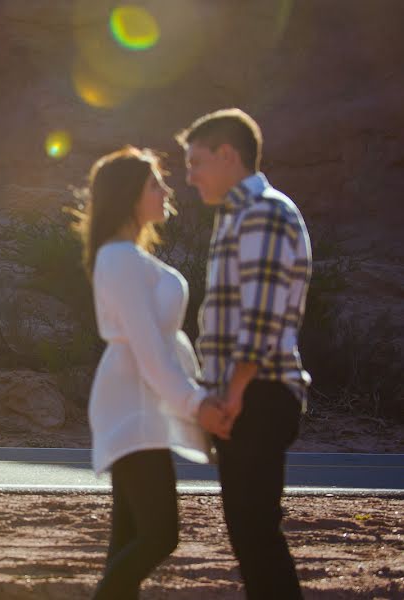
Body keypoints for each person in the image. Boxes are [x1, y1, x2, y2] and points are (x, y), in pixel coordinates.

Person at [73, 146, 229, 599]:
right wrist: (196, 404)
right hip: (132, 409)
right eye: (154, 183)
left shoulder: (126, 257)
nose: (166, 190)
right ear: (128, 195)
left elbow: (156, 348)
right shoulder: (119, 258)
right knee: (161, 535)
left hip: (140, 405)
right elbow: (147, 349)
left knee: (128, 539)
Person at [176, 108, 312, 599]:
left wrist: (232, 394)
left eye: (196, 163)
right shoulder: (241, 216)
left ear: (228, 155)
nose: (189, 176)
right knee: (250, 535)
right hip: (247, 394)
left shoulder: (263, 213)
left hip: (257, 394)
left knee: (256, 534)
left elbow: (260, 316)